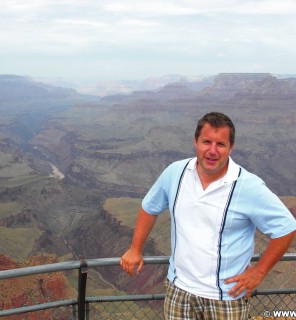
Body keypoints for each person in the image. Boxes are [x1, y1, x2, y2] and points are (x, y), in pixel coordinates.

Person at [120, 112, 296, 320]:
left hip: (226, 297)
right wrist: (135, 248)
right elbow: (150, 207)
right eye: (206, 142)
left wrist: (258, 272)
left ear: (231, 148)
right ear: (195, 142)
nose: (212, 151)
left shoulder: (248, 186)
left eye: (220, 144)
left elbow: (286, 227)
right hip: (179, 291)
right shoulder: (175, 173)